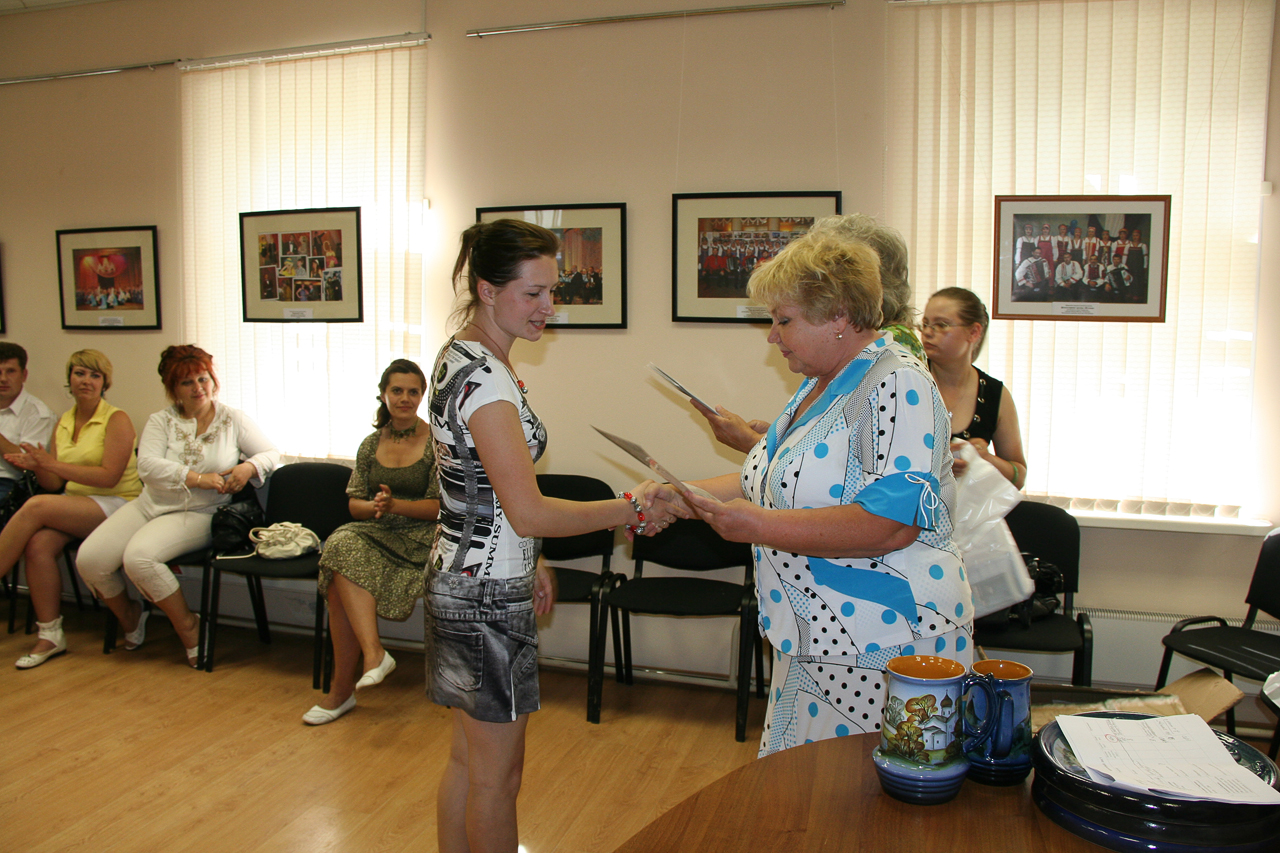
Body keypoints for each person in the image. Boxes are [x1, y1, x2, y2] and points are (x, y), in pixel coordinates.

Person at [428, 219, 685, 853]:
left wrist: (532, 558)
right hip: (485, 597)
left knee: (468, 762)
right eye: (533, 293)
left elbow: (481, 491)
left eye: (553, 291)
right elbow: (529, 512)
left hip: (461, 578)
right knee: (497, 781)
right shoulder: (486, 380)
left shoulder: (460, 355)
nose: (549, 307)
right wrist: (627, 508)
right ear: (488, 290)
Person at [665, 232, 972, 757]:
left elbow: (891, 525)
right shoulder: (823, 382)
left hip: (887, 641)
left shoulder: (898, 382)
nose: (772, 336)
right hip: (823, 638)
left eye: (784, 320)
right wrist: (681, 495)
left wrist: (755, 524)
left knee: (856, 798)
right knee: (806, 794)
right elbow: (773, 480)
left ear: (839, 315)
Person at [76, 345, 280, 667]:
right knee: (90, 560)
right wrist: (196, 478)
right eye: (188, 382)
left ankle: (189, 626)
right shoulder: (161, 421)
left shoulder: (233, 419)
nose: (198, 388)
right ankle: (131, 615)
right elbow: (147, 467)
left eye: (203, 379)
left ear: (213, 380)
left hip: (200, 513)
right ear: (173, 389)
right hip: (149, 505)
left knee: (139, 559)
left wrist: (248, 467)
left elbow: (270, 453)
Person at [692, 213, 923, 453]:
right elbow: (832, 447)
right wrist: (780, 439)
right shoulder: (826, 365)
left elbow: (876, 461)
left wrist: (752, 444)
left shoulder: (894, 371)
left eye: (784, 321)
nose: (772, 337)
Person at [301, 358, 441, 726]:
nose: (405, 398)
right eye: (397, 390)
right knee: (340, 543)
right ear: (383, 394)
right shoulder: (370, 443)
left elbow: (440, 508)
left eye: (413, 391)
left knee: (337, 575)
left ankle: (343, 690)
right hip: (379, 531)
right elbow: (354, 505)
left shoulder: (437, 443)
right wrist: (377, 506)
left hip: (421, 540)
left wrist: (397, 505)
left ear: (422, 396)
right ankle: (373, 654)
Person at [0, 350, 142, 668]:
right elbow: (53, 483)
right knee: (38, 545)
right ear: (70, 380)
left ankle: (131, 613)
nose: (86, 381)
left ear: (105, 383)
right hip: (77, 504)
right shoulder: (64, 420)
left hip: (120, 504)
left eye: (94, 375)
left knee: (35, 506)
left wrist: (52, 465)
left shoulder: (116, 418)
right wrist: (38, 465)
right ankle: (50, 635)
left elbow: (109, 477)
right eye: (79, 374)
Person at [920, 287, 1027, 487]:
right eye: (925, 324)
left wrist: (987, 459)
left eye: (941, 325)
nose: (927, 332)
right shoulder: (905, 381)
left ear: (974, 332)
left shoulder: (995, 394)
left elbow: (1018, 477)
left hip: (970, 505)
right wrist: (933, 465)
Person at [0, 343, 57, 503]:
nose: (3, 379)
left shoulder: (38, 414)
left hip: (8, 483)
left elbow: (29, 464)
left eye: (10, 371)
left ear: (24, 375)